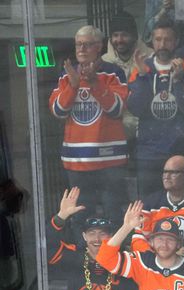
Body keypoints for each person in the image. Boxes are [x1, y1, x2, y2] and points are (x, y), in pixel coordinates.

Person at [49, 25, 129, 218]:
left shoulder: (113, 72)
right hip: (77, 161)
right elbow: (58, 111)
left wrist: (94, 82)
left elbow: (116, 109)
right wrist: (73, 86)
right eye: (78, 44)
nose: (81, 49)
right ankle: (81, 249)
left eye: (87, 45)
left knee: (114, 215)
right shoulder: (66, 75)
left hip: (109, 159)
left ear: (99, 46)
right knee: (80, 217)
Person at [46, 188, 135, 290]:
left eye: (102, 234)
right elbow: (47, 248)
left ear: (112, 236)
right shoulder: (75, 256)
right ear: (84, 236)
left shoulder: (124, 262)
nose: (97, 239)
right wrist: (62, 216)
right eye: (92, 233)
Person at [96, 202, 184, 290]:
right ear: (151, 242)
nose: (164, 244)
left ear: (179, 244)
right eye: (160, 239)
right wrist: (126, 227)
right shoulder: (143, 262)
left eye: (170, 240)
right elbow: (105, 258)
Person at [128, 19, 184, 196]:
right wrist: (141, 76)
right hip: (149, 151)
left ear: (176, 42)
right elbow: (136, 109)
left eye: (167, 40)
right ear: (152, 42)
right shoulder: (142, 67)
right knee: (147, 203)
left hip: (178, 149)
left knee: (180, 200)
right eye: (158, 39)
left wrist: (178, 80)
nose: (162, 44)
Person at [101, 11, 152, 146]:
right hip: (116, 128)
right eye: (115, 35)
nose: (119, 40)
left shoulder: (151, 58)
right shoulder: (103, 63)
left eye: (124, 35)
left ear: (134, 36)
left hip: (147, 125)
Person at [134, 155, 184, 256]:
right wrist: (154, 256)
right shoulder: (150, 203)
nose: (166, 177)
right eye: (165, 172)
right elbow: (138, 237)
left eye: (173, 173)